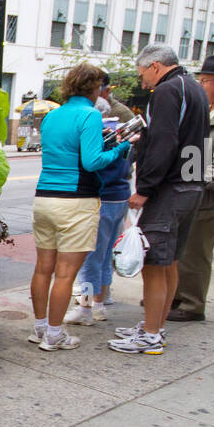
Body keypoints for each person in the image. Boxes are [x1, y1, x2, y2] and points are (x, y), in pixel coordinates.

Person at [109, 44, 209, 354]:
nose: (142, 82)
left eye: (142, 75)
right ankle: (156, 326)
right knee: (170, 262)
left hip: (169, 189)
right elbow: (193, 140)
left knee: (153, 262)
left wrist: (145, 188)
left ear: (155, 66)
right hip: (191, 184)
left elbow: (165, 141)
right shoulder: (195, 88)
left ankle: (151, 335)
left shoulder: (167, 92)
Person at [29, 62, 132, 350]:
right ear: (94, 88)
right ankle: (54, 334)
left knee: (42, 268)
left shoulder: (52, 116)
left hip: (45, 197)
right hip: (76, 200)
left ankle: (38, 328)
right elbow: (92, 161)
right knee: (65, 274)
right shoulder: (90, 115)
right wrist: (120, 149)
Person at [166, 54, 214, 322]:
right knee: (182, 249)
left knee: (196, 251)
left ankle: (191, 304)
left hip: (209, 196)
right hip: (191, 188)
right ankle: (175, 295)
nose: (201, 86)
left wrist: (192, 178)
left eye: (205, 81)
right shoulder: (206, 110)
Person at [64, 126, 132, 325]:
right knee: (104, 255)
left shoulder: (99, 143)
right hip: (120, 199)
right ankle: (99, 303)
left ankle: (85, 307)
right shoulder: (122, 144)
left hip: (101, 201)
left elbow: (90, 164)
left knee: (89, 257)